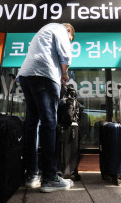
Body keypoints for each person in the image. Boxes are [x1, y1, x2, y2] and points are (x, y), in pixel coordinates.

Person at [17, 23, 75, 193]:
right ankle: (50, 177)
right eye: (70, 39)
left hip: (27, 75)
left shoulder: (44, 30)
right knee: (49, 122)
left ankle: (32, 174)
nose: (69, 40)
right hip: (44, 74)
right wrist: (64, 74)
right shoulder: (61, 30)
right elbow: (65, 53)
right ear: (69, 31)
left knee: (32, 123)